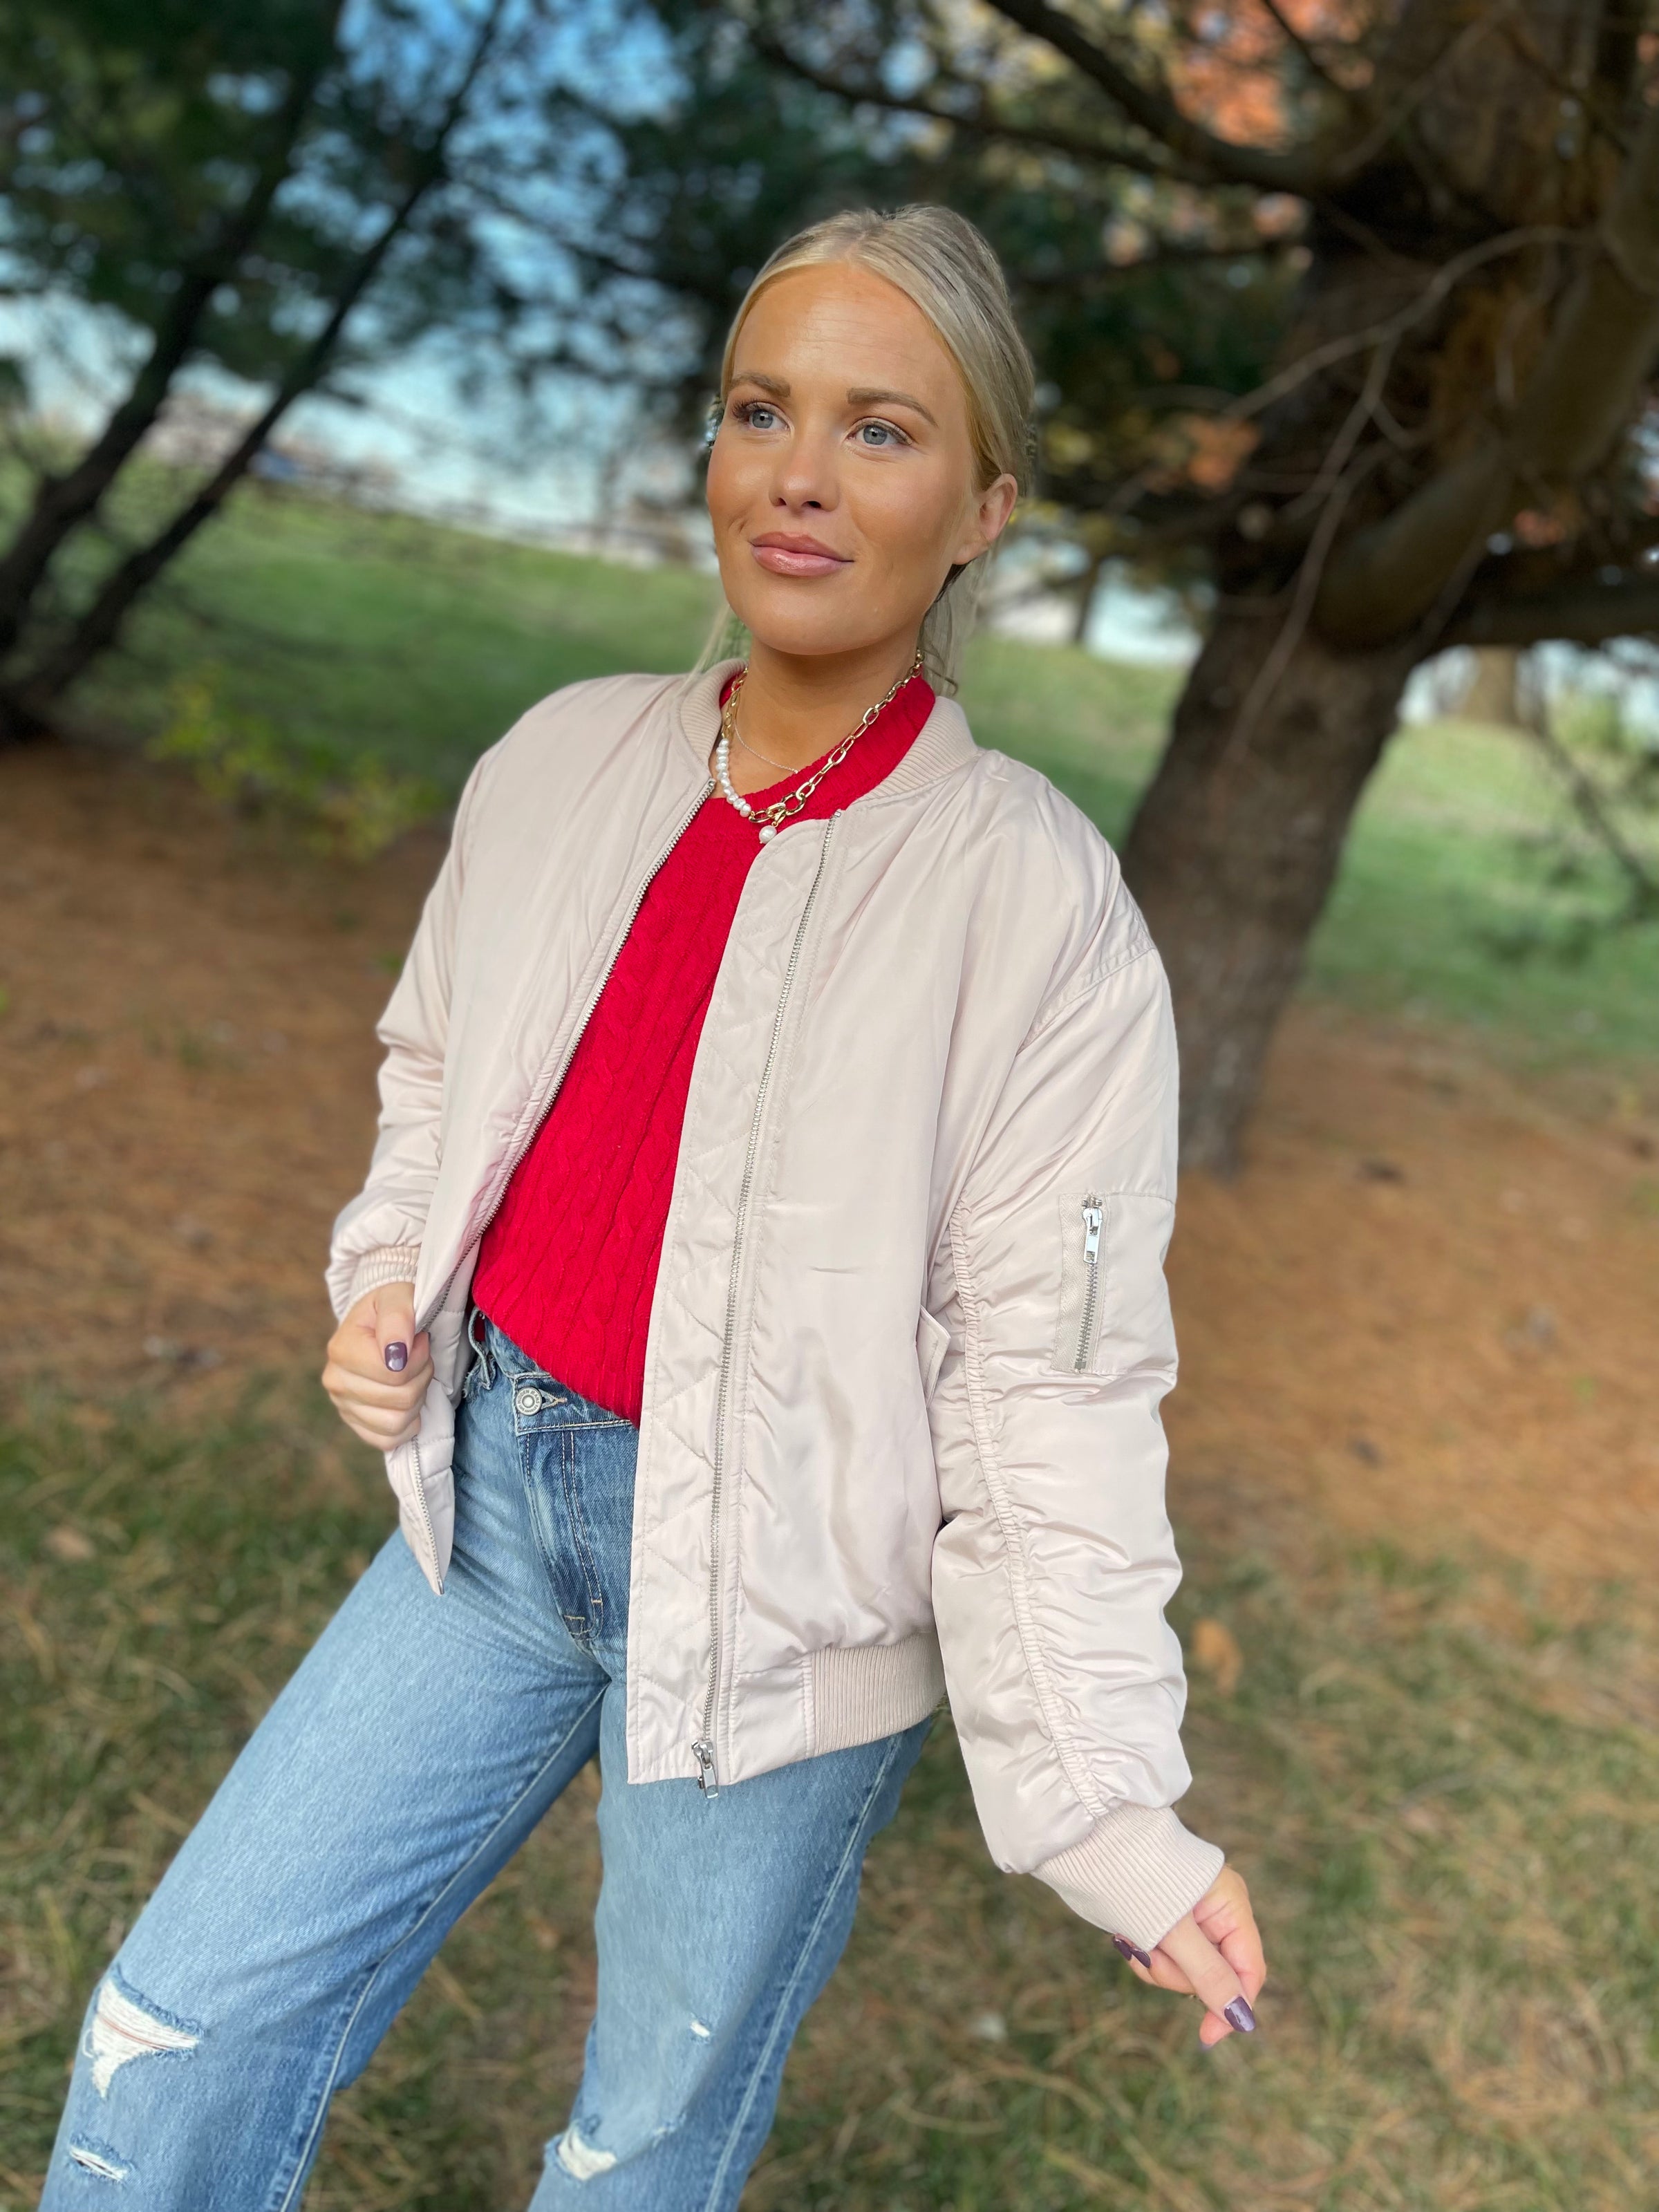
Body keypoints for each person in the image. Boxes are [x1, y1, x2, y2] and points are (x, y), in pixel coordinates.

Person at [43, 204, 1266, 2209]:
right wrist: (388, 1272)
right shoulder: (558, 763)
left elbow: (1046, 1394)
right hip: (491, 1522)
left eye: (882, 429)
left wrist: (1111, 1815)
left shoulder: (1035, 911)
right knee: (180, 2026)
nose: (800, 474)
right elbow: (435, 1067)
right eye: (759, 410)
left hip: (788, 1615)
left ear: (985, 510)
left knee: (637, 2159)